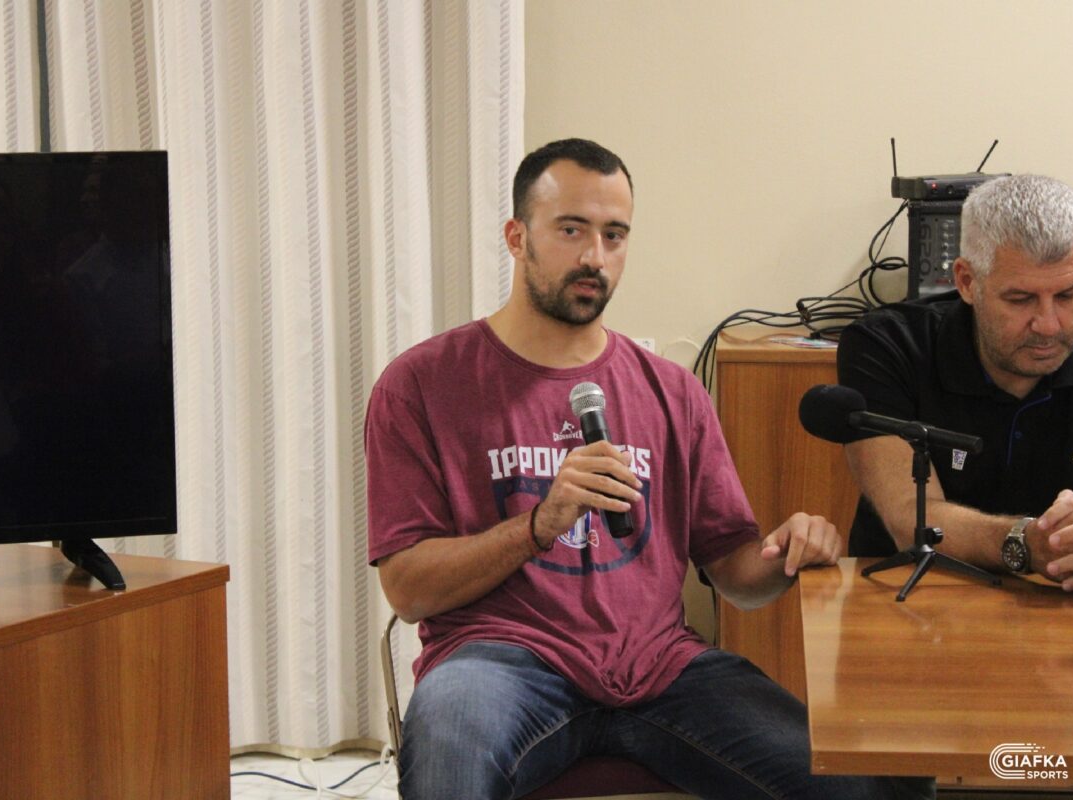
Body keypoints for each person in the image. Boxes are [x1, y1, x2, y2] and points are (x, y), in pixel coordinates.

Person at [365, 138, 933, 800]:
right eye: (571, 230)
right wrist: (540, 523)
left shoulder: (672, 392)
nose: (594, 256)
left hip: (663, 669)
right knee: (447, 772)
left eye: (614, 235)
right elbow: (409, 592)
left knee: (864, 786)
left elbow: (735, 575)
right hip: (498, 663)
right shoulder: (422, 384)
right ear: (517, 238)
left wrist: (786, 554)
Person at [838, 173, 1073, 590]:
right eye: (1020, 299)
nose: (1048, 325)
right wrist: (1028, 543)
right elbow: (910, 516)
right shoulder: (887, 345)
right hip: (914, 597)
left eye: (1067, 295)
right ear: (967, 282)